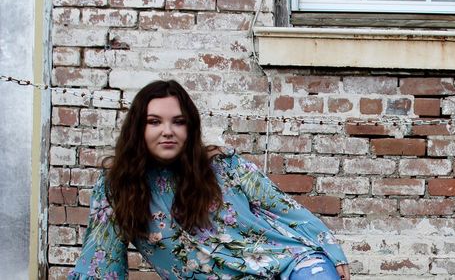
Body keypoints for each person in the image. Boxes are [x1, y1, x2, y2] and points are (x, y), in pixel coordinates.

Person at [69, 80, 350, 280]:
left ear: (190, 128)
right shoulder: (117, 188)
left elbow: (283, 207)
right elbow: (100, 263)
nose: (167, 131)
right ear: (137, 128)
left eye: (178, 122)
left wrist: (330, 247)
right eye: (154, 121)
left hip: (291, 266)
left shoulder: (223, 165)